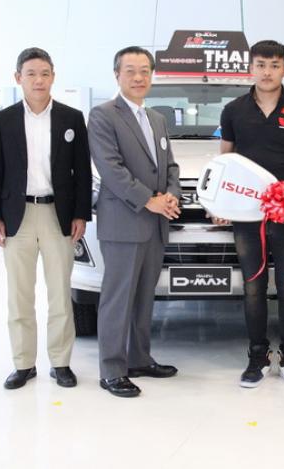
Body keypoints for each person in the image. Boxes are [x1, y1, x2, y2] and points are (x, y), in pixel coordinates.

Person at [0, 47, 92, 390]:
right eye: (31, 73)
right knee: (19, 295)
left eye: (45, 73)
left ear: (53, 77)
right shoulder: (4, 120)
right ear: (18, 78)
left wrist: (80, 213)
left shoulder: (71, 118)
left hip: (58, 215)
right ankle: (23, 364)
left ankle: (60, 363)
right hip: (17, 216)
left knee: (60, 293)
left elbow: (82, 172)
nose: (38, 80)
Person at [216, 40, 284, 389]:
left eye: (274, 65)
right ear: (251, 68)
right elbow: (225, 161)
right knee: (253, 286)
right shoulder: (233, 110)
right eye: (260, 65)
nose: (267, 72)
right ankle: (257, 356)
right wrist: (222, 204)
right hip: (247, 213)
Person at [88, 46, 181, 398]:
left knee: (143, 297)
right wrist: (149, 200)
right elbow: (110, 168)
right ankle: (112, 370)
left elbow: (169, 166)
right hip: (123, 222)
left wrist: (171, 194)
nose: (139, 77)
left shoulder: (156, 118)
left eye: (145, 71)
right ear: (117, 75)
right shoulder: (103, 115)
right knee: (118, 298)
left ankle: (139, 359)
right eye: (130, 71)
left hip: (154, 224)